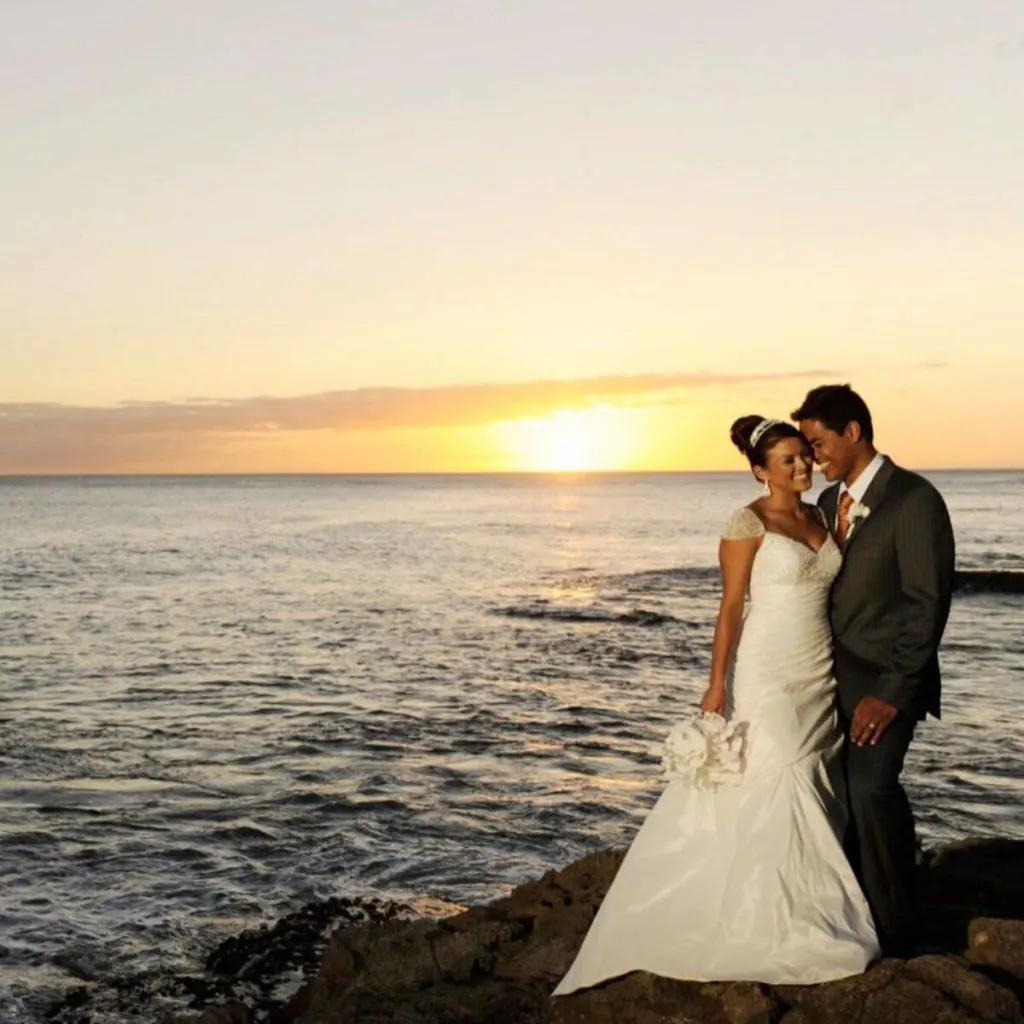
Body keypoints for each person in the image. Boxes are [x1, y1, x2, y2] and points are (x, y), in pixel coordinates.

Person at [553, 416, 878, 996]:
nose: (803, 467)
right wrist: (716, 684)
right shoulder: (745, 523)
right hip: (767, 669)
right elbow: (730, 608)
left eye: (805, 456)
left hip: (817, 668)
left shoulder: (822, 516)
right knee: (780, 772)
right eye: (788, 461)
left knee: (812, 774)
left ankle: (807, 907)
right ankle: (772, 920)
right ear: (760, 471)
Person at [792, 384, 955, 956]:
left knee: (870, 787)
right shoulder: (828, 502)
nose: (814, 458)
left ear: (853, 432)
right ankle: (853, 906)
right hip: (827, 675)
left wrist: (890, 693)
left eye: (818, 443)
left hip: (886, 678)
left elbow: (926, 603)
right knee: (831, 792)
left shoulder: (913, 499)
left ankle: (895, 929)